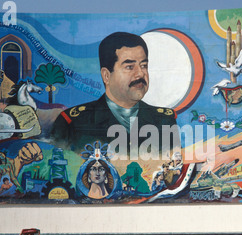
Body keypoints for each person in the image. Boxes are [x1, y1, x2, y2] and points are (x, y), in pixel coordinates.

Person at [51, 32, 180, 158]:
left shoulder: (164, 121)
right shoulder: (73, 122)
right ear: (106, 75)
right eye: (129, 67)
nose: (140, 74)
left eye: (144, 65)